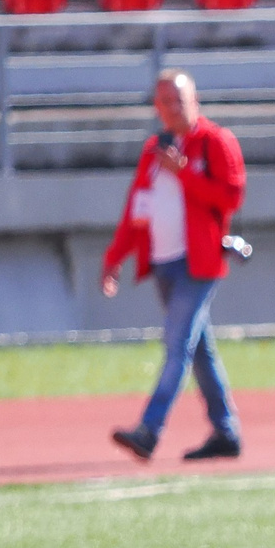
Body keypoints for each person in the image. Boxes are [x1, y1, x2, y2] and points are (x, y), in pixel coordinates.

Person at [104, 70, 248, 463]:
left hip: (197, 263)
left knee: (176, 345)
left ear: (194, 101)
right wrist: (115, 257)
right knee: (199, 350)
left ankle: (149, 431)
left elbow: (231, 195)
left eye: (178, 100)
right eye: (164, 102)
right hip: (164, 264)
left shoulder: (215, 141)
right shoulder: (155, 149)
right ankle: (226, 431)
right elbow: (138, 208)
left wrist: (183, 173)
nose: (171, 108)